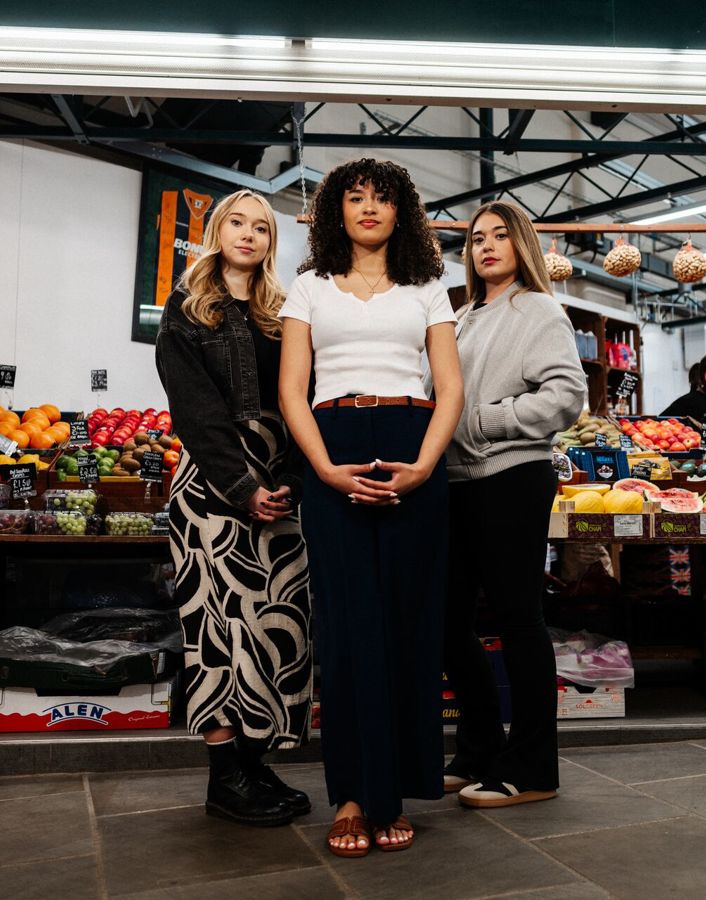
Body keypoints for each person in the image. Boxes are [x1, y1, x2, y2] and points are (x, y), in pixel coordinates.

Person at [278, 158, 464, 857]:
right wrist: (323, 468)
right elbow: (294, 390)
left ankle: (395, 792)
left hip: (413, 444)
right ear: (336, 211)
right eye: (354, 198)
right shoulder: (308, 287)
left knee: (408, 625)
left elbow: (449, 388)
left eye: (381, 200)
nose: (366, 209)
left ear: (401, 213)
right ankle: (353, 796)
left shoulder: (427, 287)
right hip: (335, 447)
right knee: (350, 629)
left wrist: (422, 467)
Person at [155, 189, 312, 828]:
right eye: (236, 224)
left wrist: (296, 479)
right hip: (212, 491)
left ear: (272, 242)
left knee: (278, 628)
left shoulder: (285, 312)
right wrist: (242, 487)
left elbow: (306, 393)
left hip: (284, 484)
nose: (249, 235)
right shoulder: (185, 311)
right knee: (218, 631)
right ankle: (225, 778)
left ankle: (254, 759)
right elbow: (194, 411)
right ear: (216, 232)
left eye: (261, 228)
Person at [431, 201, 586, 808]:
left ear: (522, 243)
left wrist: (482, 422)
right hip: (455, 481)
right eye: (476, 238)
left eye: (500, 235)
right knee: (449, 621)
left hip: (512, 475)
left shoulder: (538, 308)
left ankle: (533, 769)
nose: (487, 246)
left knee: (519, 619)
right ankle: (477, 750)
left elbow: (566, 396)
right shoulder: (462, 314)